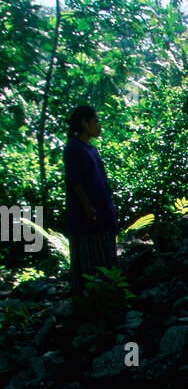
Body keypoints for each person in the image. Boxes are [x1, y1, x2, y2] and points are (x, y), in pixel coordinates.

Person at [63, 105, 120, 296]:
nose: (98, 126)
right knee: (88, 256)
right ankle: (87, 299)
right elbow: (75, 182)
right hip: (85, 215)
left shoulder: (91, 149)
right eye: (95, 121)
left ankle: (107, 295)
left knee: (105, 253)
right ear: (84, 124)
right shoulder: (73, 148)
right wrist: (87, 206)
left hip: (101, 210)